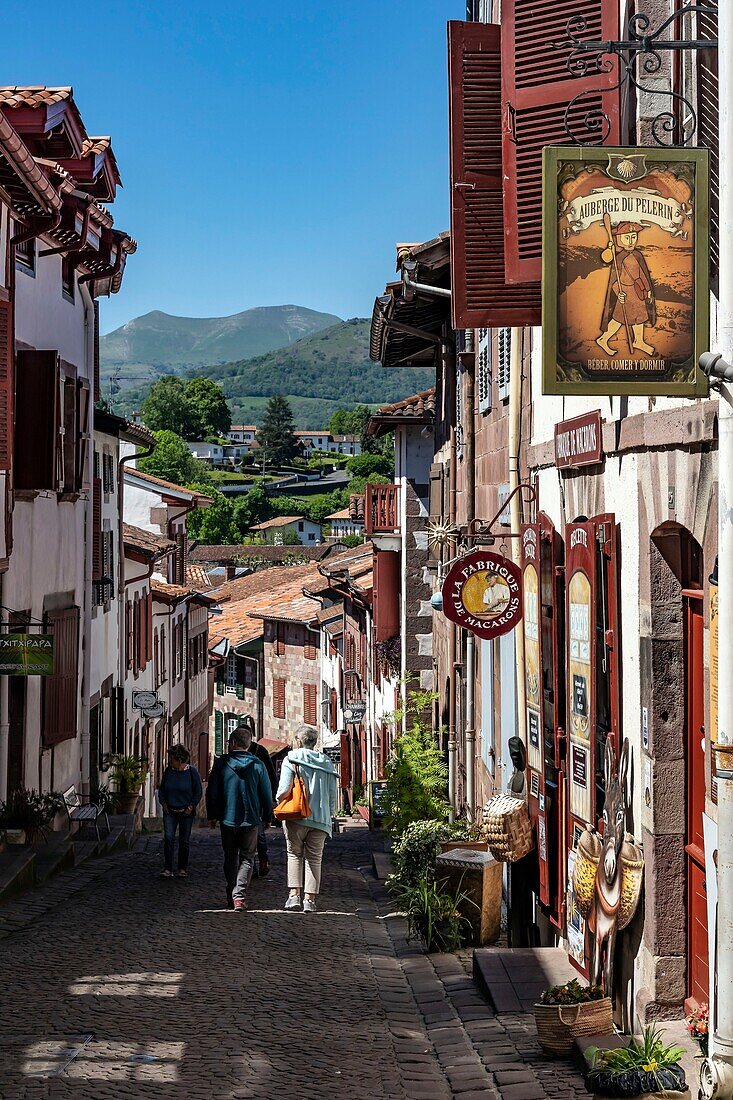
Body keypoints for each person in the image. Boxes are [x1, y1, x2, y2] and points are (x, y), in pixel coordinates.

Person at [206, 724, 273, 912]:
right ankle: (239, 897)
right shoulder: (257, 765)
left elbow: (212, 792)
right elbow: (266, 793)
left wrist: (212, 815)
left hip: (227, 818)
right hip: (250, 818)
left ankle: (231, 892)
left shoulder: (221, 764)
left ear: (233, 743)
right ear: (248, 745)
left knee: (230, 856)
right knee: (247, 858)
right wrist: (267, 816)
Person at [276, 724, 338, 913]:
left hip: (297, 816)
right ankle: (309, 900)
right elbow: (332, 795)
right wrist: (330, 815)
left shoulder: (291, 759)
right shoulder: (327, 763)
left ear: (298, 741)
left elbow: (284, 790)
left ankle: (294, 896)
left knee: (294, 854)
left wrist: (279, 801)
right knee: (314, 858)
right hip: (321, 819)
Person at [158, 744, 203, 879]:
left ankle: (182, 868)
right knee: (169, 839)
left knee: (184, 841)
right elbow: (162, 790)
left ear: (179, 759)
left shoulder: (191, 773)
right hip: (170, 811)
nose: (170, 760)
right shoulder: (168, 772)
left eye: (172, 758)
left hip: (186, 813)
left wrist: (191, 806)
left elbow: (198, 791)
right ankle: (168, 868)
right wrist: (164, 803)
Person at [239, 715, 277, 876]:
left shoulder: (259, 751)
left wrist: (271, 799)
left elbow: (271, 776)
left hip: (258, 801)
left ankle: (262, 859)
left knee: (259, 834)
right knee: (244, 835)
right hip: (241, 800)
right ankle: (250, 866)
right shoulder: (234, 752)